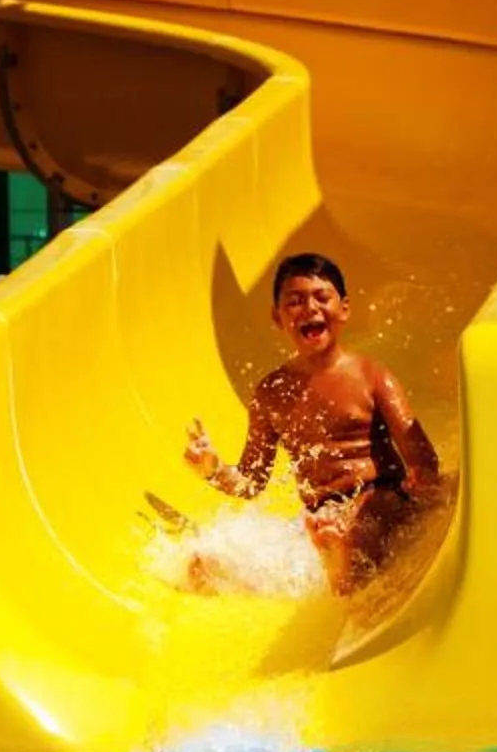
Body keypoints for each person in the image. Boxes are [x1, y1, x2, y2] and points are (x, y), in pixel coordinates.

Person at [184, 252, 444, 594]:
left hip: (378, 496)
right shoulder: (271, 394)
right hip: (321, 514)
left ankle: (342, 560)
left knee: (372, 512)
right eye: (295, 301)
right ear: (278, 318)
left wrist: (422, 488)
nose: (310, 308)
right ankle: (332, 553)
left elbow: (421, 456)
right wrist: (212, 467)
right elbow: (251, 482)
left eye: (322, 297)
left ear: (345, 309)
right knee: (212, 563)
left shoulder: (371, 376)